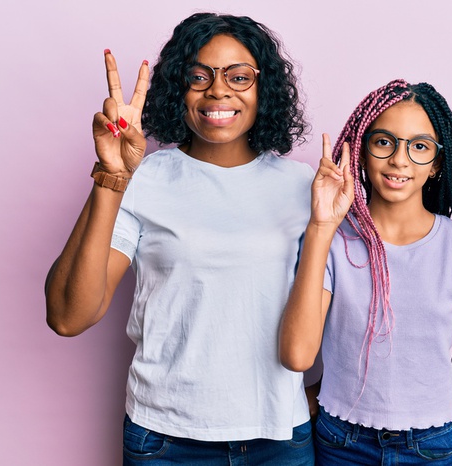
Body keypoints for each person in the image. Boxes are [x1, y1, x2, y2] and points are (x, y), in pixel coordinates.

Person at [45, 13, 315, 465]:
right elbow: (68, 317)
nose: (218, 90)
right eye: (198, 76)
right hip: (165, 439)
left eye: (239, 76)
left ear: (262, 89)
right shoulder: (146, 177)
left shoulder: (302, 186)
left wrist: (331, 398)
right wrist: (112, 177)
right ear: (178, 88)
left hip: (279, 439)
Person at [279, 80, 452, 465]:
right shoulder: (331, 240)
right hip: (341, 443)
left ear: (437, 163)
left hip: (430, 447)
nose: (399, 160)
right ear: (361, 153)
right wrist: (321, 227)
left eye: (419, 147)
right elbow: (298, 355)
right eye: (384, 141)